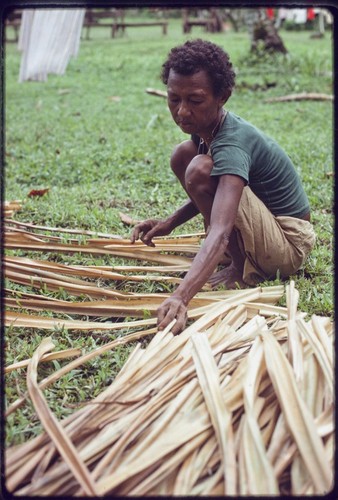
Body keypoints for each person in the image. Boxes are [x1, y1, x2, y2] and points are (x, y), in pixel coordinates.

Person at [131, 39, 315, 334]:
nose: (181, 112)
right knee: (184, 156)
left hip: (288, 245)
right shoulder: (206, 131)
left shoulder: (231, 141)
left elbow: (221, 225)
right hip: (264, 226)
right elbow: (221, 190)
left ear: (222, 97)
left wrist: (180, 297)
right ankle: (235, 254)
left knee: (200, 168)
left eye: (195, 100)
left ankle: (239, 265)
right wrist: (169, 223)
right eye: (174, 99)